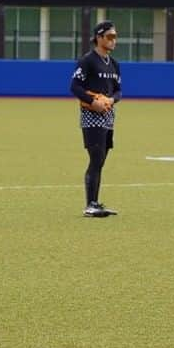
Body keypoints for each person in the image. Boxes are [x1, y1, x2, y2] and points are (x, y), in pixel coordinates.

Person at [70, 20, 122, 218]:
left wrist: (110, 99)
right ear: (99, 37)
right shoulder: (88, 60)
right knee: (96, 157)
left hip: (108, 115)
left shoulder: (115, 64)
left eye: (115, 37)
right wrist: (93, 101)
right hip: (91, 116)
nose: (113, 41)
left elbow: (118, 91)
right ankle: (90, 205)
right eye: (109, 37)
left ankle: (95, 203)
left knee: (101, 160)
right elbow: (75, 87)